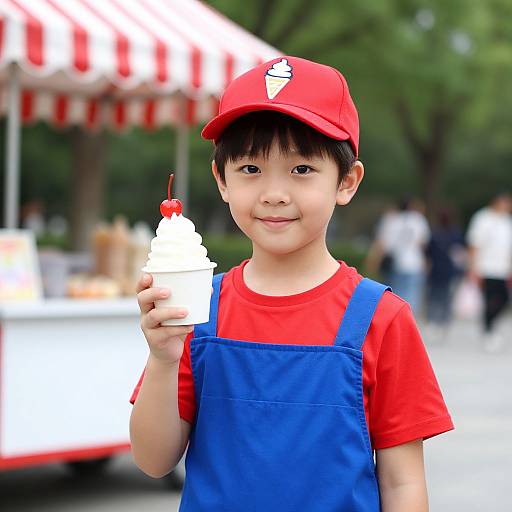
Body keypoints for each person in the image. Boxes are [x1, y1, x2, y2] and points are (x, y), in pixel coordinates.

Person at [130, 56, 454, 511]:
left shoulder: (381, 318)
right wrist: (163, 359)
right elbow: (153, 460)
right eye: (250, 169)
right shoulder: (199, 308)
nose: (274, 192)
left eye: (301, 170)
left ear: (347, 181)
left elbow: (403, 484)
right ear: (220, 179)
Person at [466, 192, 512, 352]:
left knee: (504, 299)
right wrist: (473, 268)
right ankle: (488, 330)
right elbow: (474, 244)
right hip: (485, 267)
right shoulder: (483, 219)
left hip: (502, 269)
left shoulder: (507, 222)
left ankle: (490, 326)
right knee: (489, 300)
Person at [424, 207, 466, 343]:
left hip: (436, 270)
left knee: (434, 297)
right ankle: (444, 323)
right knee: (447, 298)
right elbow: (460, 253)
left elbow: (428, 253)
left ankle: (432, 322)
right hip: (451, 271)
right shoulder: (456, 234)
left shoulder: (435, 234)